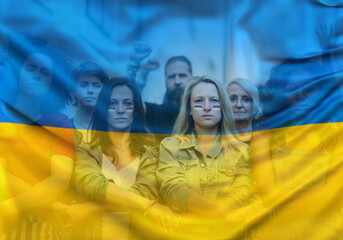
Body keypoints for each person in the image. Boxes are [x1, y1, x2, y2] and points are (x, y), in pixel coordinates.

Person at [63, 78, 179, 239]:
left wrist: (89, 207)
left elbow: (144, 194)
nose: (120, 109)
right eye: (112, 104)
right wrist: (148, 206)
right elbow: (92, 185)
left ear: (136, 111)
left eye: (127, 103)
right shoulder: (86, 150)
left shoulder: (152, 154)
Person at [251, 58, 343, 240]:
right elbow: (269, 195)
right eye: (292, 87)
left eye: (309, 87)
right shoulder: (264, 136)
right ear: (279, 92)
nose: (301, 93)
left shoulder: (335, 134)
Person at [157, 76, 252, 239]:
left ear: (222, 107)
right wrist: (216, 214)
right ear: (189, 109)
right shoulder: (170, 146)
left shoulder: (242, 151)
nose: (207, 107)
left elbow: (241, 194)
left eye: (214, 101)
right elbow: (174, 190)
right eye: (199, 101)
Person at [0, 33, 74, 239]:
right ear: (18, 71)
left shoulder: (60, 124)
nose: (37, 76)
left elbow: (59, 182)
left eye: (45, 73)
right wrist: (48, 201)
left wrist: (11, 207)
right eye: (31, 68)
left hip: (43, 227)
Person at [70, 61, 108, 143]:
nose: (90, 91)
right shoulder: (63, 127)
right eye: (83, 85)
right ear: (73, 91)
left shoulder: (111, 129)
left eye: (96, 85)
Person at [226, 78, 262, 144]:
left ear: (254, 104)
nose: (239, 105)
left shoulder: (266, 138)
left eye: (246, 99)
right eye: (233, 99)